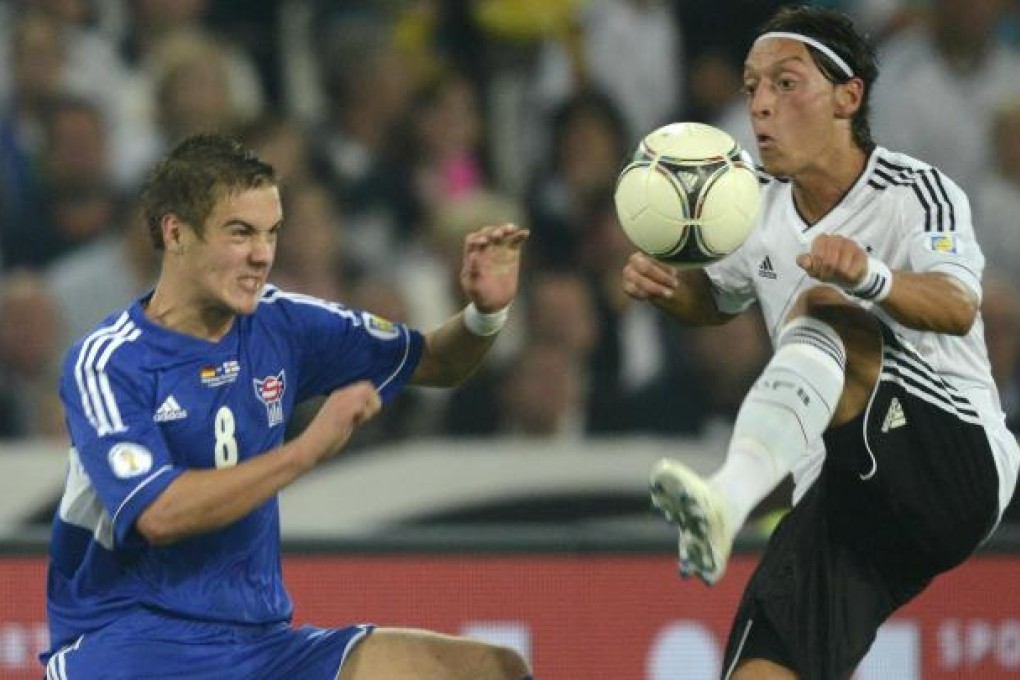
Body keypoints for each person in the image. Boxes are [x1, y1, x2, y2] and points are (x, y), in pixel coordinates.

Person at [42, 133, 533, 680]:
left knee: (491, 669)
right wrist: (305, 451)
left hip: (262, 647)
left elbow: (436, 362)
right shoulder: (109, 363)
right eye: (240, 232)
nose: (262, 254)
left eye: (271, 232)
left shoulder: (283, 323)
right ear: (176, 232)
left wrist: (483, 315)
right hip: (129, 644)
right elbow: (160, 514)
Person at [623, 7, 1020, 679]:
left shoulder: (915, 191)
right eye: (752, 87)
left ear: (848, 96)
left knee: (825, 308)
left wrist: (870, 276)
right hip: (842, 498)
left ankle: (729, 497)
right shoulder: (752, 206)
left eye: (785, 83)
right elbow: (716, 301)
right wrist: (672, 289)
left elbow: (958, 306)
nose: (761, 106)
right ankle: (731, 502)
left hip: (953, 461)